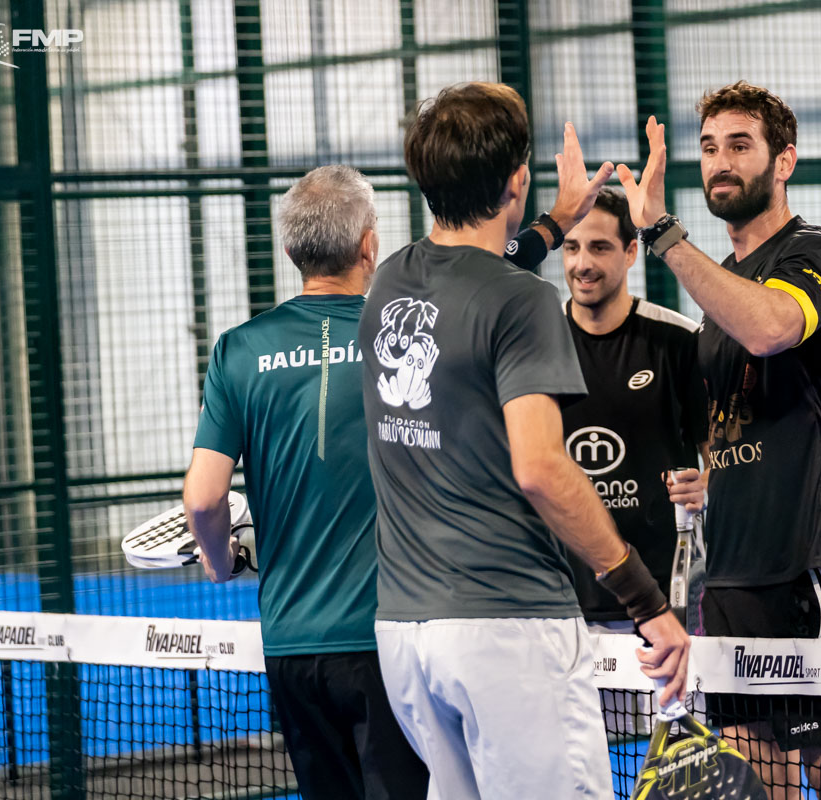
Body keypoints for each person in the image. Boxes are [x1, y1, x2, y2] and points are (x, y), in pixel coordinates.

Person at [359, 82, 690, 800]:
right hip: (507, 631)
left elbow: (481, 276)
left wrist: (553, 222)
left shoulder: (390, 283)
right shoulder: (526, 301)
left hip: (405, 635)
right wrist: (646, 601)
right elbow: (541, 468)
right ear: (515, 181)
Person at [617, 82, 821, 799]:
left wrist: (663, 235)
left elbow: (770, 329)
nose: (721, 163)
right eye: (709, 148)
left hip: (814, 570)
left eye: (740, 145)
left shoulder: (817, 255)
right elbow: (738, 419)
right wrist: (711, 476)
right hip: (734, 578)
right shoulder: (721, 288)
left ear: (784, 160)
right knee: (755, 786)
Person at [182, 165, 429, 800]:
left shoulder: (239, 350)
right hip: (389, 637)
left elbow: (203, 499)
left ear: (291, 251)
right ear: (370, 246)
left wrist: (220, 561)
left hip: (290, 646)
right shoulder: (405, 338)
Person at [558, 186, 708, 635]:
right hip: (560, 607)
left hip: (662, 605)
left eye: (599, 247)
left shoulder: (679, 341)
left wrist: (708, 486)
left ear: (630, 253)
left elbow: (720, 456)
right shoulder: (534, 343)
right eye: (571, 247)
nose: (582, 263)